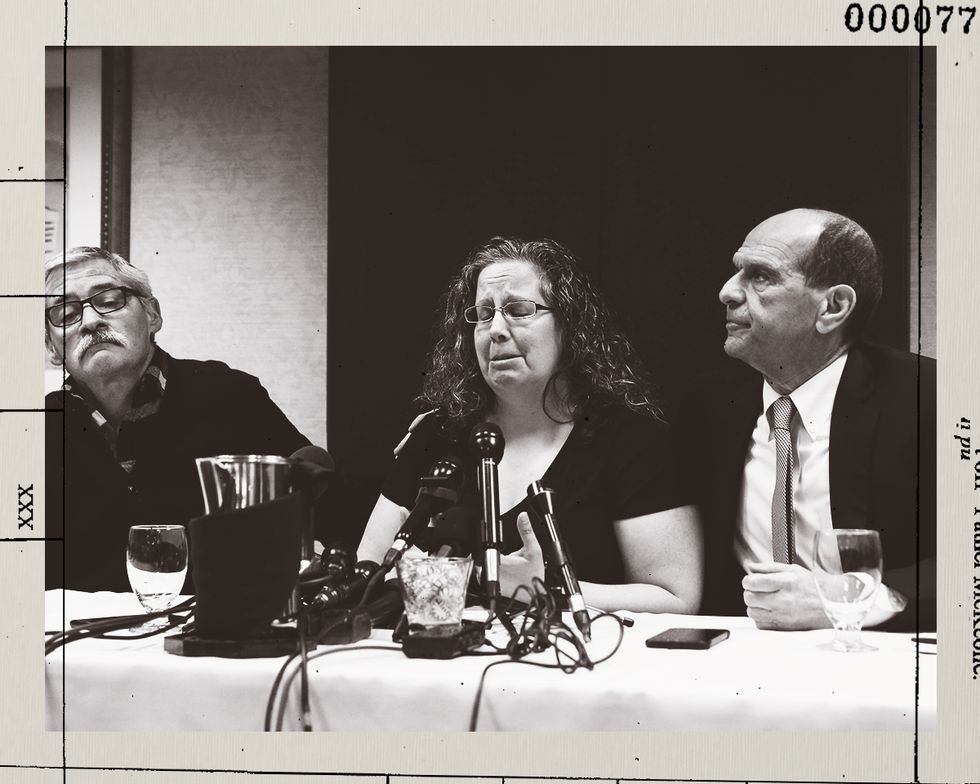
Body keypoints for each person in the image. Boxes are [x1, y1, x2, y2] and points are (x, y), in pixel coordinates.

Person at [357, 237, 702, 614]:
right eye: (483, 314)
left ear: (569, 325)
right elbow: (370, 570)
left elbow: (676, 599)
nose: (496, 330)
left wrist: (547, 589)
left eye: (519, 310)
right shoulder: (436, 433)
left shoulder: (628, 440)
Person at [679, 209, 936, 632]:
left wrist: (853, 599)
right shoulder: (707, 406)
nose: (727, 292)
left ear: (833, 306)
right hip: (739, 656)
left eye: (760, 275)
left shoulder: (932, 400)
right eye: (736, 272)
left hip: (875, 655)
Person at [45, 247, 310, 592]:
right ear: (51, 348)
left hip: (212, 629)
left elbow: (314, 494)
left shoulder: (231, 395)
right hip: (78, 639)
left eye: (109, 300)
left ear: (152, 314)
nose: (91, 321)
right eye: (66, 314)